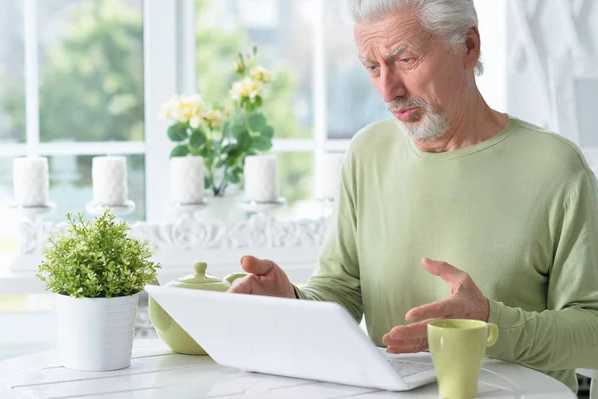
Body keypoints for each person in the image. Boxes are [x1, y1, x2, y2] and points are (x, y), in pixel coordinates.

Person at [229, 0, 598, 392]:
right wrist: (292, 302)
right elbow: (342, 289)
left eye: (405, 59)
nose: (388, 90)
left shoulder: (556, 167)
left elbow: (593, 334)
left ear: (468, 46)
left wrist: (492, 323)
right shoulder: (367, 153)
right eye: (372, 67)